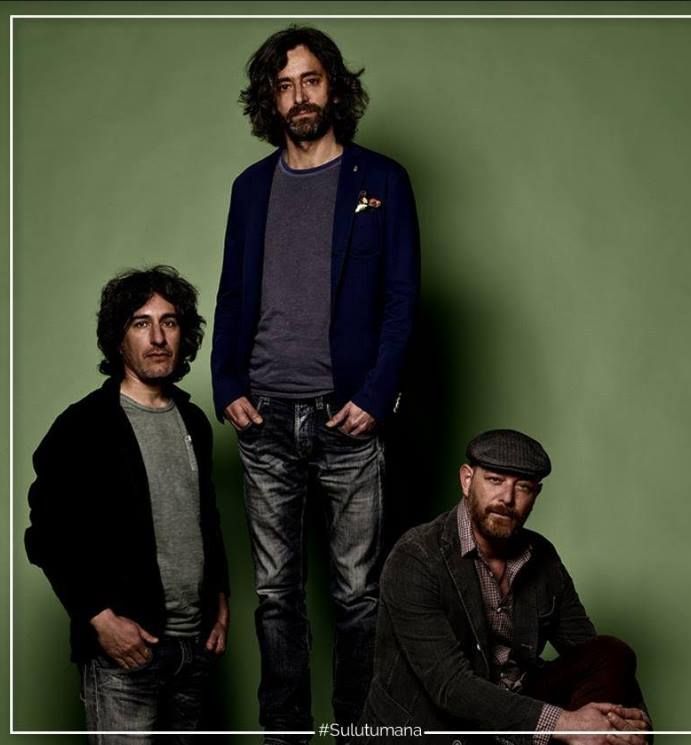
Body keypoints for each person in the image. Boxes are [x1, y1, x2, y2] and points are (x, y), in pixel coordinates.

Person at [210, 24, 420, 743]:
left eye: (311, 80)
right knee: (275, 596)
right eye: (284, 85)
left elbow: (401, 300)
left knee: (358, 596)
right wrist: (227, 383)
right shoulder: (250, 188)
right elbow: (232, 295)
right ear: (269, 99)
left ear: (334, 87)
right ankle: (286, 733)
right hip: (263, 418)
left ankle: (356, 730)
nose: (299, 96)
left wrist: (375, 395)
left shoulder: (382, 181)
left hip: (347, 419)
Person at [25, 266, 230, 744]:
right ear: (118, 339)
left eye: (169, 322)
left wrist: (219, 600)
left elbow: (205, 518)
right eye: (141, 323)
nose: (158, 337)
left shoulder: (194, 421)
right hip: (125, 653)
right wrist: (98, 618)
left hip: (194, 648)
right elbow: (46, 534)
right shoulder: (84, 426)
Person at [356, 429, 651, 745]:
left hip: (513, 712)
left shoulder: (542, 557)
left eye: (522, 487)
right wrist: (565, 723)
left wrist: (635, 724)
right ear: (467, 480)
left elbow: (586, 650)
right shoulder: (416, 557)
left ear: (535, 494)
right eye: (495, 480)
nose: (507, 499)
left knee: (610, 654)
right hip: (434, 728)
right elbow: (450, 686)